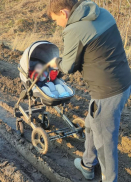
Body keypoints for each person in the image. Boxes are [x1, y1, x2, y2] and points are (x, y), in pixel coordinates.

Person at [46, 0, 131, 181]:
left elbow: (68, 67)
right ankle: (87, 164)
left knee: (105, 144)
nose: (57, 24)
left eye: (55, 20)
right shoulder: (102, 13)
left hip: (107, 92)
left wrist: (55, 63)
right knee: (92, 123)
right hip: (124, 82)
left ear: (64, 13)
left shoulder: (74, 30)